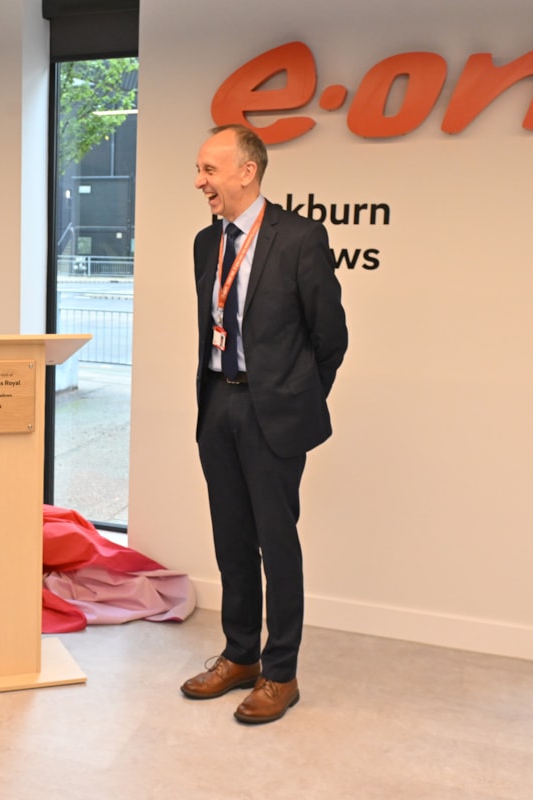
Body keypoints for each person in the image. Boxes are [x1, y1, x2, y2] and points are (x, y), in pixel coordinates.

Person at [180, 125, 346, 724]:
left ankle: (281, 673)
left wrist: (294, 398)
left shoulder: (300, 238)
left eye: (209, 170)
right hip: (217, 403)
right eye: (199, 171)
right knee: (230, 540)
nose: (200, 181)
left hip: (272, 412)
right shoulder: (206, 244)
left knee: (277, 545)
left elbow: (331, 338)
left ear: (246, 171)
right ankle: (240, 656)